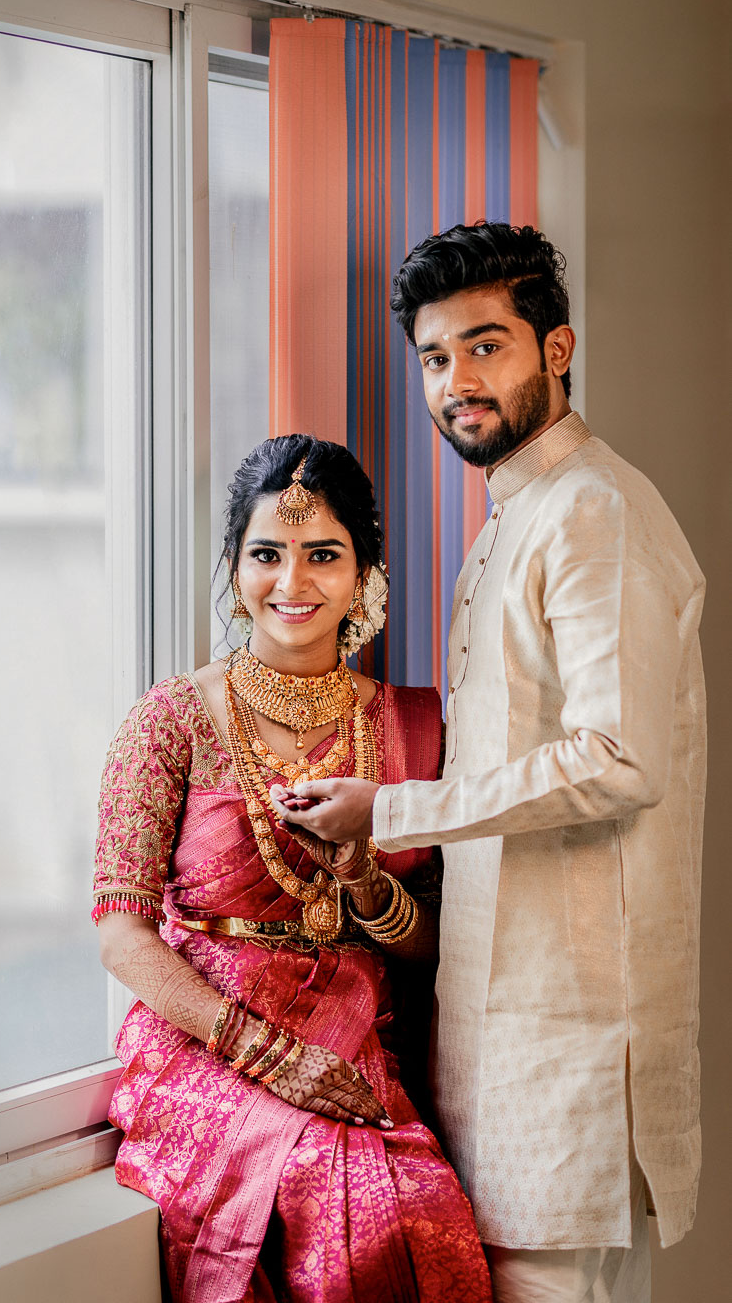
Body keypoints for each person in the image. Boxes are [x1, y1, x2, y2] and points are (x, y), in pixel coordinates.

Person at [274, 223, 705, 1303]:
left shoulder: (592, 513)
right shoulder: (518, 514)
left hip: (570, 1044)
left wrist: (389, 809)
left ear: (555, 349)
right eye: (434, 357)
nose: (456, 381)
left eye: (484, 345)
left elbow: (617, 759)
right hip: (508, 1043)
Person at [93, 434, 492, 1303]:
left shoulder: (415, 727)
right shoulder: (168, 720)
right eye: (266, 553)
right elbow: (121, 935)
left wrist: (364, 882)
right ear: (234, 567)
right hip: (208, 1043)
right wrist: (267, 1055)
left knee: (419, 1216)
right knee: (325, 1197)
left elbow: (440, 941)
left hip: (352, 1037)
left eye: (323, 555)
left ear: (364, 573)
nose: (292, 581)